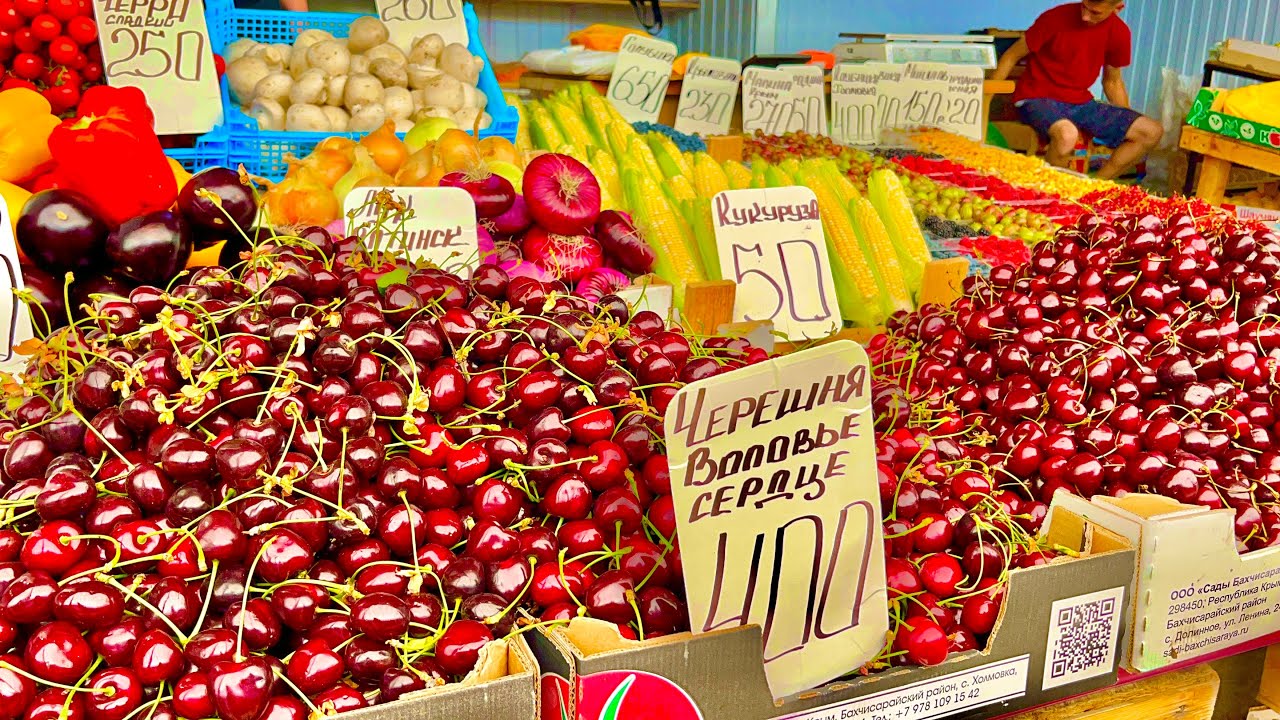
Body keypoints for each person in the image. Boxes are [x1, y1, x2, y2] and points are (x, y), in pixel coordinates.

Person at [992, 0, 1163, 180]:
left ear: (1118, 8)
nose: (1085, 16)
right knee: (1067, 135)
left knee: (1151, 131)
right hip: (1036, 97)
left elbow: (1112, 82)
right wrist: (986, 99)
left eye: (1095, 13)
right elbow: (1011, 56)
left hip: (1081, 103)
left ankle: (1093, 186)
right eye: (1084, 7)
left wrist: (1124, 125)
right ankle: (1050, 189)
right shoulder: (1054, 18)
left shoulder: (1119, 33)